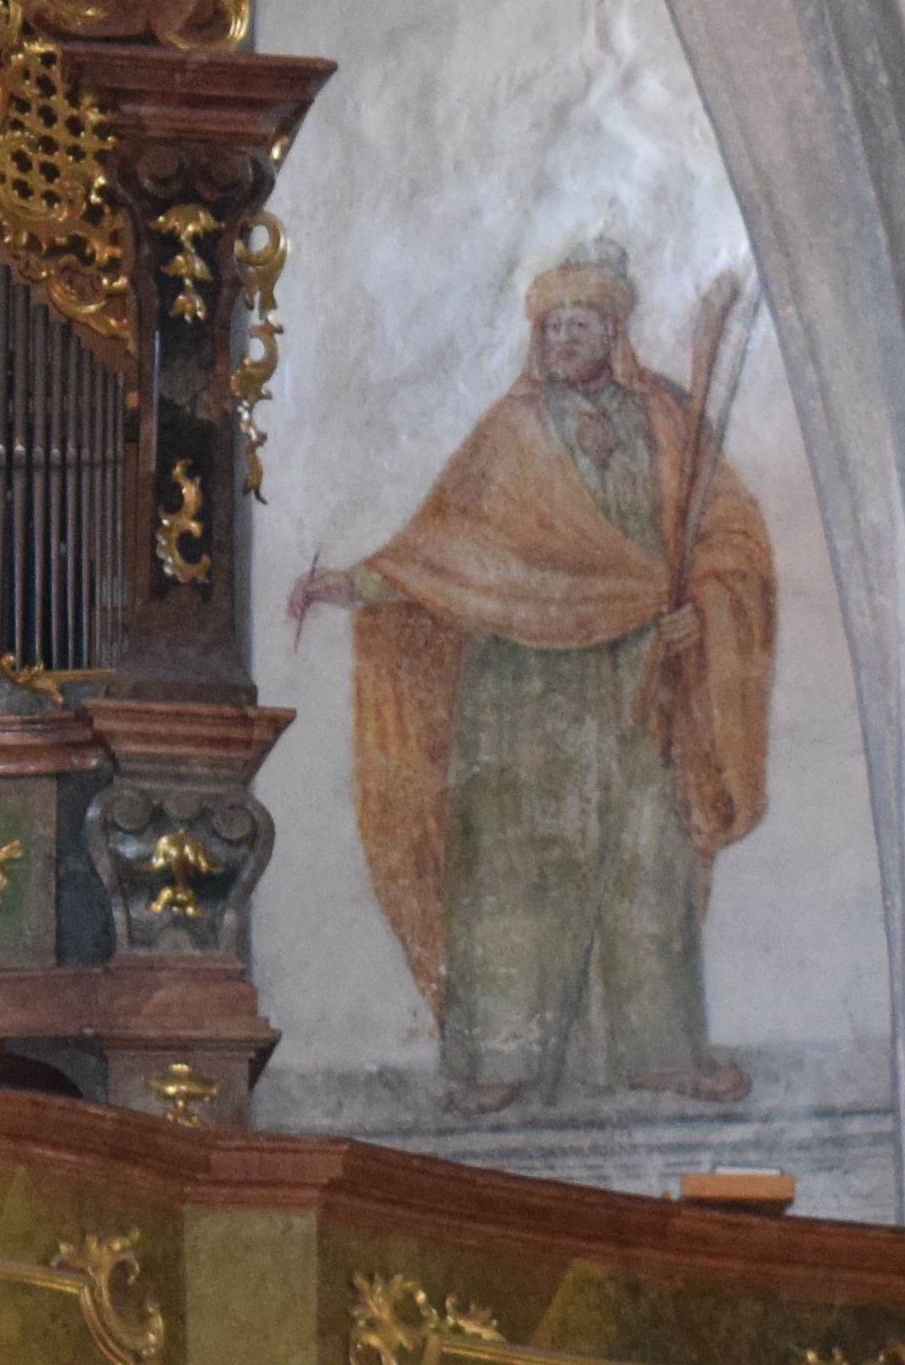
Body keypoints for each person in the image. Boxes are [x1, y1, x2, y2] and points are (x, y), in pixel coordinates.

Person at [288, 245, 772, 1108]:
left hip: (638, 679)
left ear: (614, 333)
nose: (562, 341)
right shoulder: (510, 436)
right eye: (551, 328)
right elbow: (447, 549)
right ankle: (500, 1062)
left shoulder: (666, 421)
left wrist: (703, 606)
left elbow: (729, 536)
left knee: (648, 863)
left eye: (579, 325)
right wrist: (356, 584)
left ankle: (661, 1053)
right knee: (511, 874)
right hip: (522, 697)